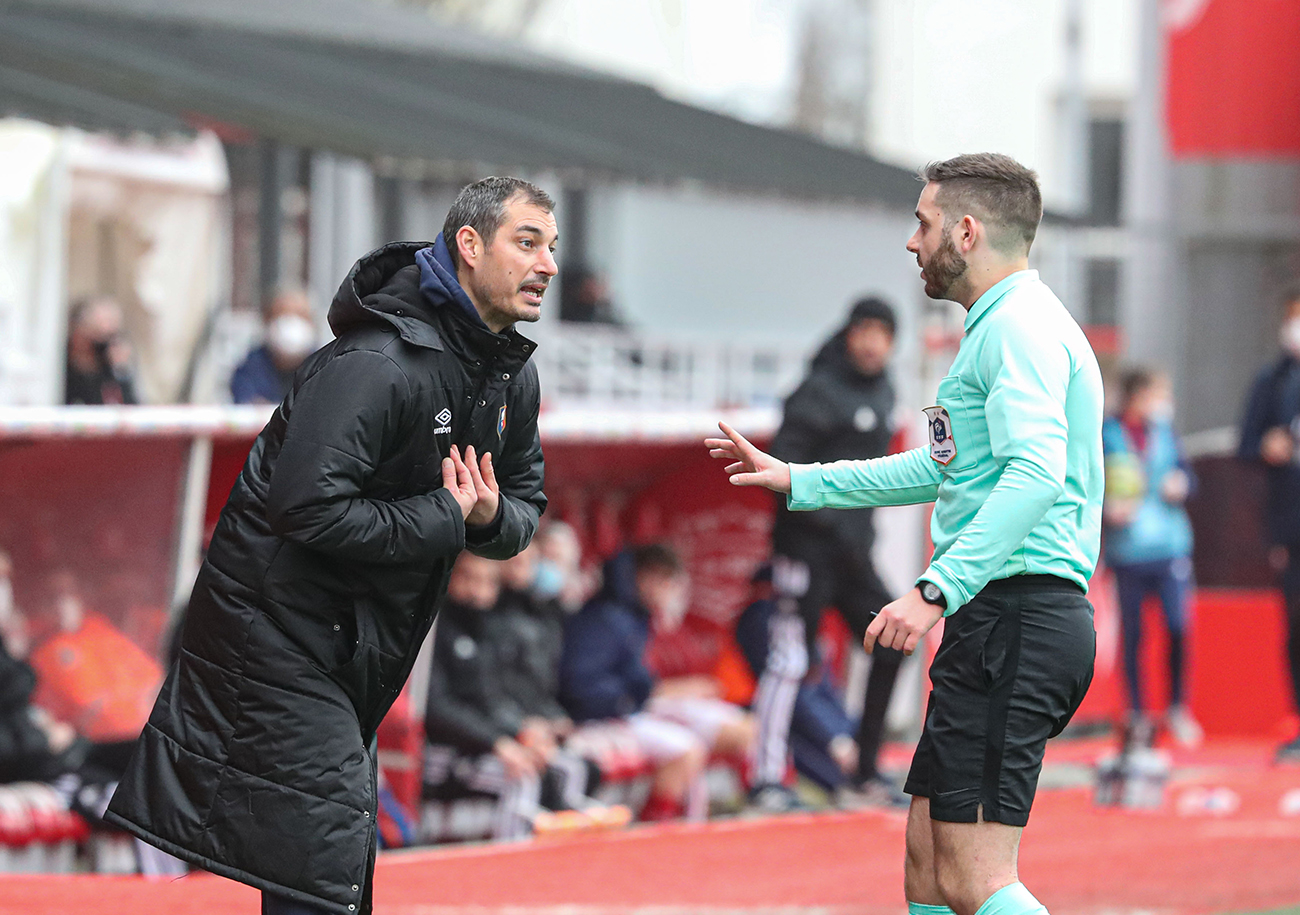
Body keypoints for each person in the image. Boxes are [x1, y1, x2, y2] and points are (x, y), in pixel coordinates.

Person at [105, 176, 556, 915]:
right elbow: (307, 509)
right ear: (470, 248)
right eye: (528, 241)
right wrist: (448, 516)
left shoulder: (510, 375)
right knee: (325, 863)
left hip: (355, 646)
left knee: (327, 862)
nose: (547, 265)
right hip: (274, 631)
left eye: (553, 247)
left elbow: (523, 508)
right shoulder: (373, 364)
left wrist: (482, 517)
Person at [708, 153, 1102, 915]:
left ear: (965, 229)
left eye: (921, 223)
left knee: (973, 877)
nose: (911, 242)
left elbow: (1036, 475)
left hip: (1018, 618)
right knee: (926, 862)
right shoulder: (1003, 325)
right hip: (1000, 621)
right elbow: (945, 467)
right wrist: (802, 478)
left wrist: (933, 590)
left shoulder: (1016, 328)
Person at [749, 295, 907, 812]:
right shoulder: (815, 392)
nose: (871, 342)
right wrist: (832, 519)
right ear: (847, 334)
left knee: (894, 640)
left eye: (882, 333)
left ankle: (863, 769)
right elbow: (783, 471)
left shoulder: (885, 392)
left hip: (853, 557)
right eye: (863, 330)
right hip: (807, 550)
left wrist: (859, 536)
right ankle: (766, 777)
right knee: (790, 661)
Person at [423, 553, 592, 840]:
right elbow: (436, 707)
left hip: (481, 743)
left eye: (486, 582)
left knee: (559, 765)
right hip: (436, 748)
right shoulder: (433, 628)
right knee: (521, 777)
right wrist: (497, 742)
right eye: (467, 577)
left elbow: (495, 700)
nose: (476, 590)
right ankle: (513, 873)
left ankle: (559, 865)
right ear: (450, 577)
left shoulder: (488, 631)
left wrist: (520, 731)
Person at [559, 546, 720, 822]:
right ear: (643, 577)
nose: (668, 591)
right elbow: (579, 684)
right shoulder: (606, 618)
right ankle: (658, 830)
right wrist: (625, 700)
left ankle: (684, 829)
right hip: (592, 721)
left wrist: (634, 697)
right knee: (686, 749)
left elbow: (636, 679)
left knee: (694, 744)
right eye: (663, 581)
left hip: (619, 715)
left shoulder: (632, 615)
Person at [1101, 368, 1201, 747]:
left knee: (1178, 625)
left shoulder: (1165, 432)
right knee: (1134, 635)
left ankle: (1176, 706)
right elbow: (1093, 483)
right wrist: (1107, 510)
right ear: (1136, 395)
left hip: (1171, 546)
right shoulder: (1107, 434)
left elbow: (1189, 477)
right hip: (1128, 550)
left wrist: (1182, 484)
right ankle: (1138, 712)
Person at [734, 566, 864, 803]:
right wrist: (835, 739)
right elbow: (790, 690)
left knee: (846, 729)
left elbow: (821, 687)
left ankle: (857, 781)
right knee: (796, 723)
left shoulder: (808, 618)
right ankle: (772, 785)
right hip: (753, 704)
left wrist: (844, 732)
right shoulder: (762, 615)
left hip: (801, 706)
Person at [1238, 283, 1300, 762]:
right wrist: (1265, 448)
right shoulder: (1273, 379)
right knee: (1296, 624)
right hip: (1291, 523)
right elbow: (1246, 443)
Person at [230, 288, 320, 404]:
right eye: (282, 314)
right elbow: (245, 402)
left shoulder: (325, 366)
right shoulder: (250, 367)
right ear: (267, 320)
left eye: (300, 315)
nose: (291, 323)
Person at [64, 296, 138, 405]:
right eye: (98, 333)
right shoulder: (62, 367)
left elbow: (129, 407)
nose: (106, 343)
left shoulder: (111, 370)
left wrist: (121, 370)